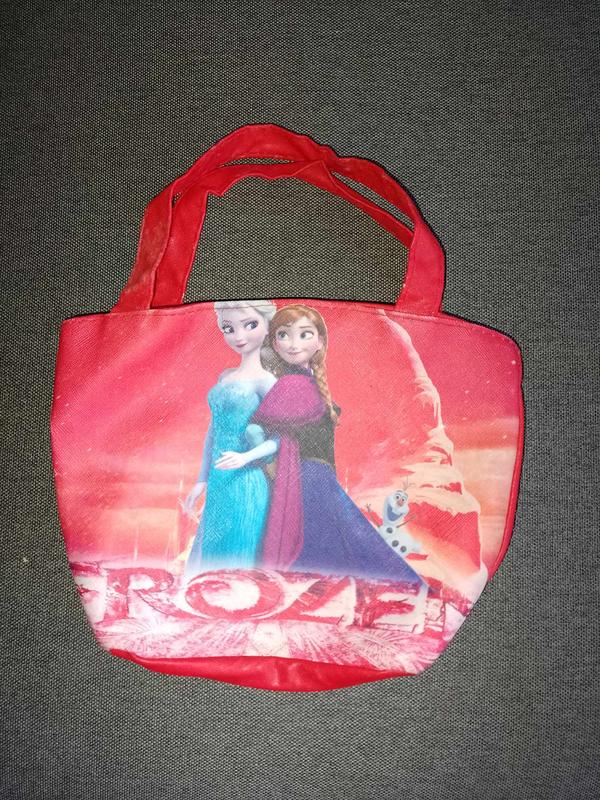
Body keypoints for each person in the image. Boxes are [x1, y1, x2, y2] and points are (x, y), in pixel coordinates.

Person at [250, 303, 427, 588]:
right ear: (274, 342)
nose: (294, 344)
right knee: (351, 545)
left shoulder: (292, 385)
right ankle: (395, 589)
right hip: (314, 477)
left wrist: (264, 462)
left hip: (304, 480)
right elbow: (263, 431)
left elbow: (259, 430)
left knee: (321, 551)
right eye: (284, 335)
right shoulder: (297, 385)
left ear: (320, 341)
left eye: (304, 335)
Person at [182, 299, 280, 578]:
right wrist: (201, 480)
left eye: (250, 325)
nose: (239, 336)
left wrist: (245, 457)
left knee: (238, 554)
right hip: (218, 481)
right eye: (229, 328)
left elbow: (281, 439)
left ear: (267, 326)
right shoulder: (225, 376)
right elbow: (213, 432)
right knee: (210, 555)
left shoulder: (266, 382)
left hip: (246, 480)